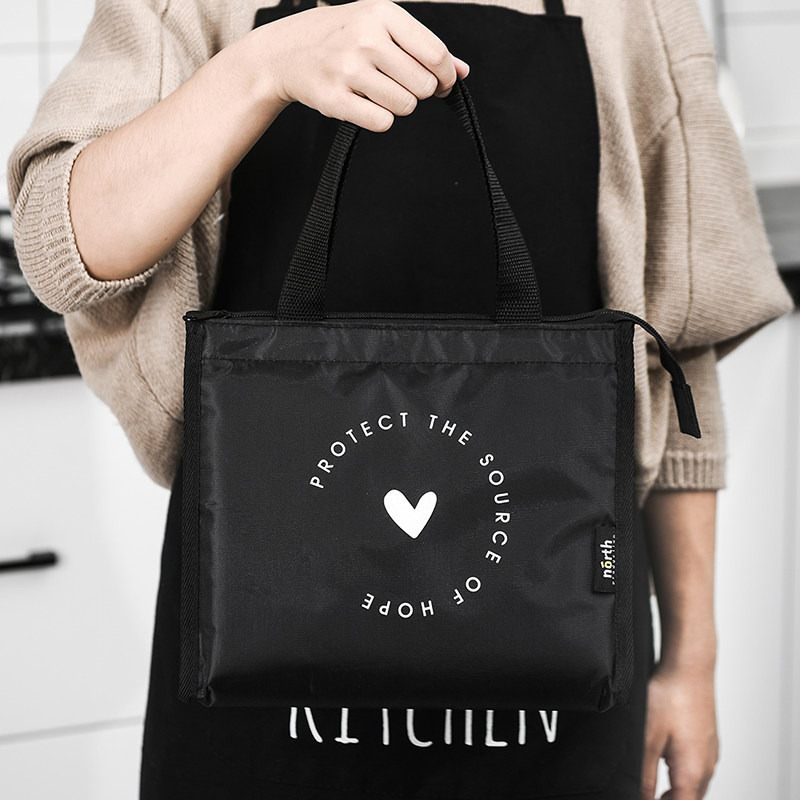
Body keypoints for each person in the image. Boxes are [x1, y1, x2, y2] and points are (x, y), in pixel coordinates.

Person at [8, 0, 792, 798]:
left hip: (568, 681)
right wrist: (260, 68)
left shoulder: (637, 12)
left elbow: (678, 349)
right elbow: (56, 242)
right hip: (252, 674)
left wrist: (690, 660)